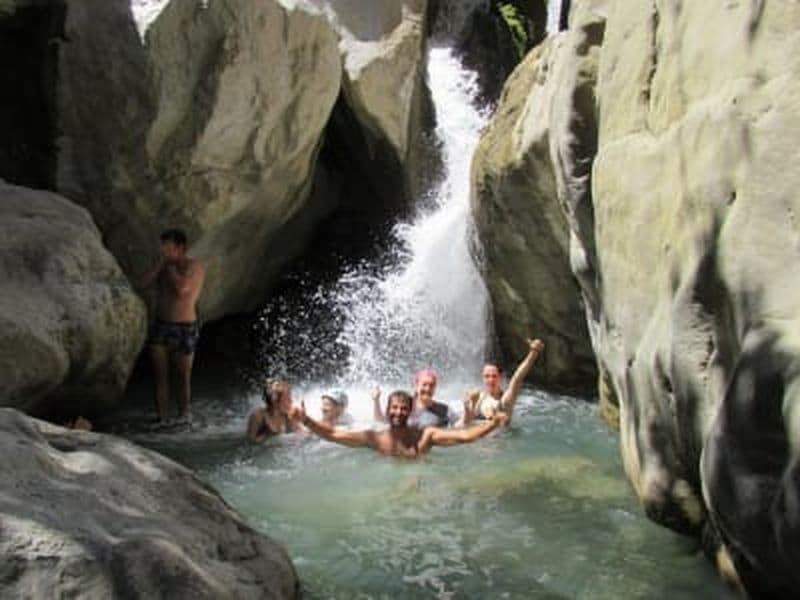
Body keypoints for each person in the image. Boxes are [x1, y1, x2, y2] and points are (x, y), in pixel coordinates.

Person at [294, 389, 507, 458]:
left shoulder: (426, 435)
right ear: (387, 410)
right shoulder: (374, 438)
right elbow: (333, 435)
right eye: (394, 408)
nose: (398, 412)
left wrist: (494, 423)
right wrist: (305, 419)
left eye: (404, 408)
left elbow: (466, 436)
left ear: (410, 411)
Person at [140, 228, 206, 423]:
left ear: (181, 248)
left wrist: (169, 268)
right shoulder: (162, 266)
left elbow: (182, 290)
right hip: (161, 326)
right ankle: (162, 419)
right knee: (160, 377)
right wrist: (159, 265)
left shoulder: (195, 267)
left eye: (168, 248)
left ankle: (184, 417)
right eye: (163, 248)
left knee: (182, 377)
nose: (164, 252)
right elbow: (142, 284)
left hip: (185, 328)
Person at [459, 338, 545, 427]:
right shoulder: (477, 397)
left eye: (494, 376)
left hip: (500, 440)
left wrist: (533, 353)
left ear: (500, 377)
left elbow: (517, 378)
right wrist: (467, 410)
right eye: (487, 376)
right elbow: (461, 426)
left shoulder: (505, 401)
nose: (491, 380)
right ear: (482, 378)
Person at [371, 368, 455, 428]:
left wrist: (467, 411)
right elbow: (382, 421)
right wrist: (376, 401)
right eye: (424, 385)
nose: (427, 389)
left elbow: (459, 424)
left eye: (431, 385)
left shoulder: (443, 410)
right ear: (417, 385)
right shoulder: (405, 405)